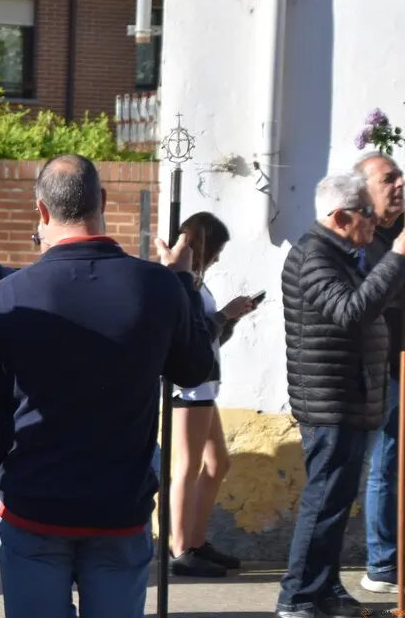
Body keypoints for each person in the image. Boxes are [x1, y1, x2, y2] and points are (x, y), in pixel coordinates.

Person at [0, 154, 216, 618]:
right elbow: (195, 370)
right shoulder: (158, 287)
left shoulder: (9, 296)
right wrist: (183, 280)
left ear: (42, 211)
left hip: (35, 502)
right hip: (119, 504)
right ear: (102, 200)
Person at [277, 171, 405, 618]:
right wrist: (398, 256)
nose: (375, 220)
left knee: (334, 504)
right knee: (323, 503)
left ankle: (324, 589)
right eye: (367, 212)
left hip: (348, 397)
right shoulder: (314, 256)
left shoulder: (342, 253)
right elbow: (352, 312)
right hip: (329, 402)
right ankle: (296, 597)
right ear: (340, 217)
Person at [168, 212, 258, 578]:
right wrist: (224, 314)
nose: (218, 257)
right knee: (188, 466)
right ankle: (180, 549)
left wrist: (230, 317)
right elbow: (190, 334)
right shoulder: (181, 282)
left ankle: (196, 541)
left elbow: (210, 336)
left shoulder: (196, 282)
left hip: (203, 384)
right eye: (217, 249)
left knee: (218, 463)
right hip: (189, 388)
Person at [355, 152, 405, 595]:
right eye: (389, 178)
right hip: (387, 370)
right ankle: (382, 564)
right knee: (386, 466)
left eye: (400, 177)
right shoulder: (364, 242)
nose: (400, 184)